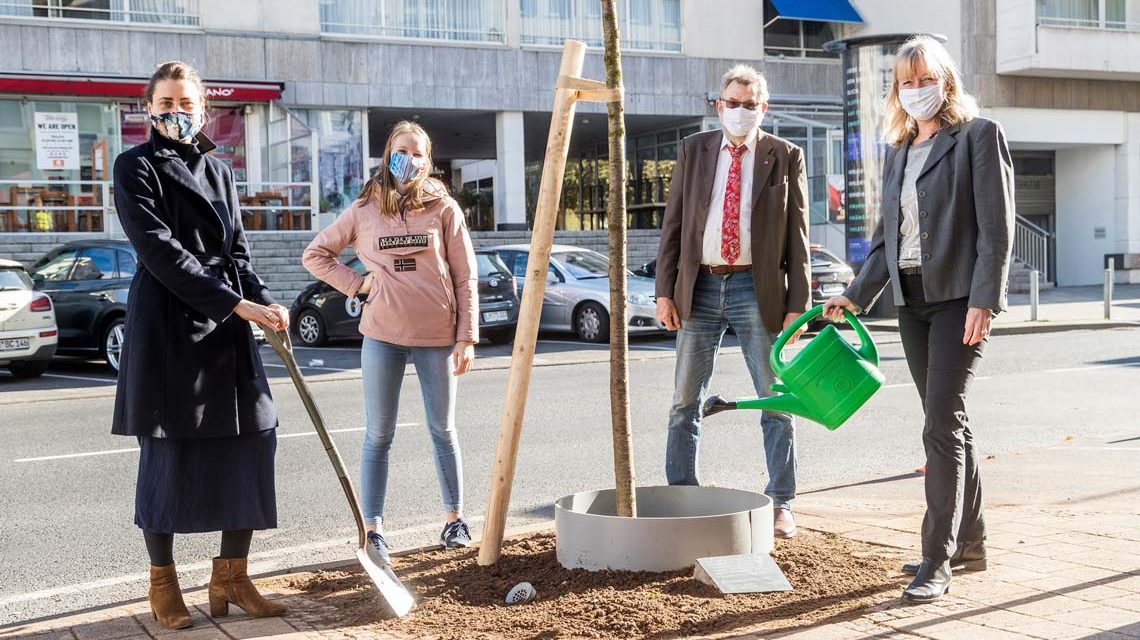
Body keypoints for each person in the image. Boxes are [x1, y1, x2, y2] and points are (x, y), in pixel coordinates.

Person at [824, 36, 1014, 604]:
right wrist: (854, 296)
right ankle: (971, 544)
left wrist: (985, 300)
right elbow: (887, 239)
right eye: (905, 82)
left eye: (924, 78)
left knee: (939, 424)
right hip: (911, 302)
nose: (915, 89)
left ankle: (937, 559)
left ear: (945, 80)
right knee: (950, 422)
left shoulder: (978, 135)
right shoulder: (899, 150)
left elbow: (997, 229)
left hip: (959, 299)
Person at [112, 61, 290, 630]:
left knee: (254, 442)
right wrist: (236, 305)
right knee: (169, 456)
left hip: (227, 326)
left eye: (186, 103)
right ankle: (162, 583)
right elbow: (159, 251)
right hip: (169, 325)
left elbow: (237, 253)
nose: (176, 112)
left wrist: (266, 301)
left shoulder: (220, 170)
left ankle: (232, 577)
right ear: (149, 109)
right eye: (166, 103)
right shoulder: (134, 166)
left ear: (203, 110)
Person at [303, 120, 478, 561]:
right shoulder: (364, 209)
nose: (410, 159)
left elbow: (465, 277)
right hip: (382, 335)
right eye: (403, 150)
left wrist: (467, 337)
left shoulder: (445, 209)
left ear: (429, 161)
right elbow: (316, 254)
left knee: (443, 430)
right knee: (379, 434)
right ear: (388, 155)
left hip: (437, 336)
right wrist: (358, 285)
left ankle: (455, 520)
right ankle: (373, 529)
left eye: (419, 153)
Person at [655, 64, 811, 539]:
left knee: (776, 398)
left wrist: (797, 305)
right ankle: (682, 495)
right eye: (733, 103)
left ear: (764, 107)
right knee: (685, 401)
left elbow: (798, 236)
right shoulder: (694, 149)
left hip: (756, 288)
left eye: (750, 104)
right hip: (699, 286)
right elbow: (673, 224)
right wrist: (664, 291)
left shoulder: (785, 155)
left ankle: (781, 501)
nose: (741, 111)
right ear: (719, 105)